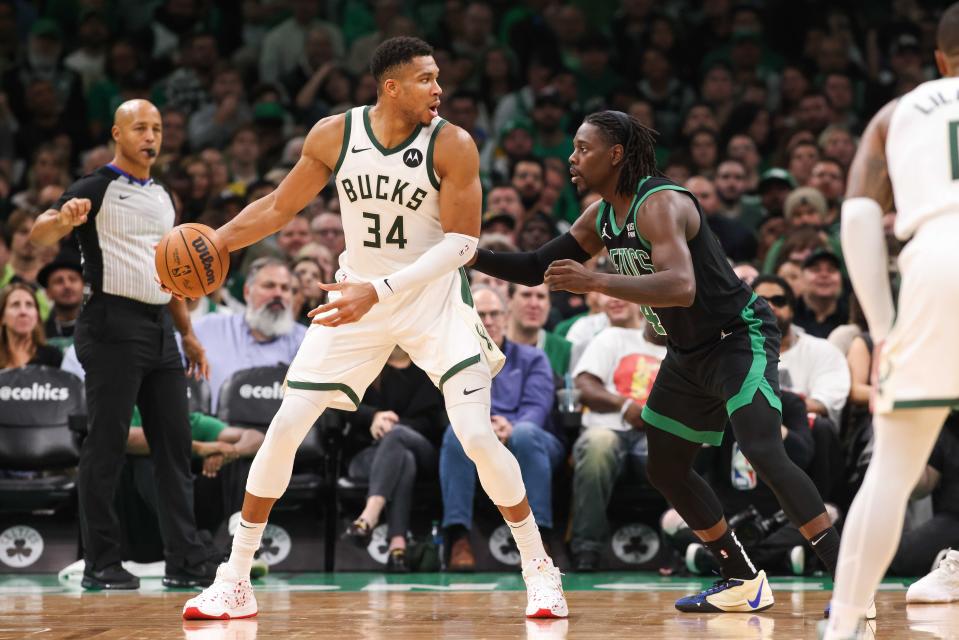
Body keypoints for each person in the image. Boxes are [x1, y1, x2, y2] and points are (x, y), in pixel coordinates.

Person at [183, 37, 567, 620]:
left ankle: (540, 569)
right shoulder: (333, 135)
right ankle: (235, 577)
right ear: (392, 86)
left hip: (431, 302)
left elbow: (462, 245)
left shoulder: (454, 144)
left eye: (439, 77)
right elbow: (280, 207)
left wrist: (380, 290)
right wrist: (217, 240)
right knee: (285, 425)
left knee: (476, 436)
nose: (439, 88)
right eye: (427, 78)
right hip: (356, 298)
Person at [471, 110, 842, 614]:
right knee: (666, 468)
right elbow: (537, 266)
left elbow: (681, 286)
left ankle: (848, 584)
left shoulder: (660, 203)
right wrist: (466, 254)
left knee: (762, 449)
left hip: (738, 337)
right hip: (688, 353)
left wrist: (596, 281)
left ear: (616, 154)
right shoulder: (601, 215)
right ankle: (740, 578)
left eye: (583, 149)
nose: (572, 158)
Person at [29, 100, 215, 591]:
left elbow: (173, 274)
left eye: (156, 128)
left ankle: (186, 562)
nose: (150, 136)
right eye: (139, 128)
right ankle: (102, 563)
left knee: (174, 445)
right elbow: (38, 233)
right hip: (110, 323)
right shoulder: (96, 186)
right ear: (118, 133)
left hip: (160, 328)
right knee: (106, 445)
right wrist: (63, 219)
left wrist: (189, 334)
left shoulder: (164, 196)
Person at [824, 5, 959, 637]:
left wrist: (881, 331)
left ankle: (845, 623)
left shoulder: (896, 113)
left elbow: (856, 219)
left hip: (935, 260)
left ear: (939, 60)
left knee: (893, 468)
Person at [440, 286, 562, 571]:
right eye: (481, 315)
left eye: (495, 314)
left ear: (507, 318)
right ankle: (458, 538)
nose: (489, 320)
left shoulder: (533, 358)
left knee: (525, 434)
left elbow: (539, 408)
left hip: (534, 436)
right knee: (456, 435)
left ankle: (539, 537)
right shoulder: (455, 360)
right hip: (483, 435)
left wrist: (512, 425)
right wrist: (485, 430)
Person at [569, 297, 667, 571]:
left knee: (677, 453)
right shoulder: (613, 337)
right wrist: (623, 406)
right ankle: (586, 548)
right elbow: (584, 384)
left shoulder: (678, 347)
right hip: (608, 426)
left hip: (657, 432)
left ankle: (680, 544)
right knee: (598, 446)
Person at [343, 346, 448, 572]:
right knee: (403, 459)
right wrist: (372, 416)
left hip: (422, 450)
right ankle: (397, 546)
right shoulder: (364, 364)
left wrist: (393, 426)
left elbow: (434, 421)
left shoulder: (428, 367)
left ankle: (369, 516)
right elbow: (335, 405)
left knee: (398, 437)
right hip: (368, 456)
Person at [0, 282, 62, 369]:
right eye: (15, 304)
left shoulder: (52, 357)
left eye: (29, 305)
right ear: (2, 317)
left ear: (37, 316)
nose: (23, 311)